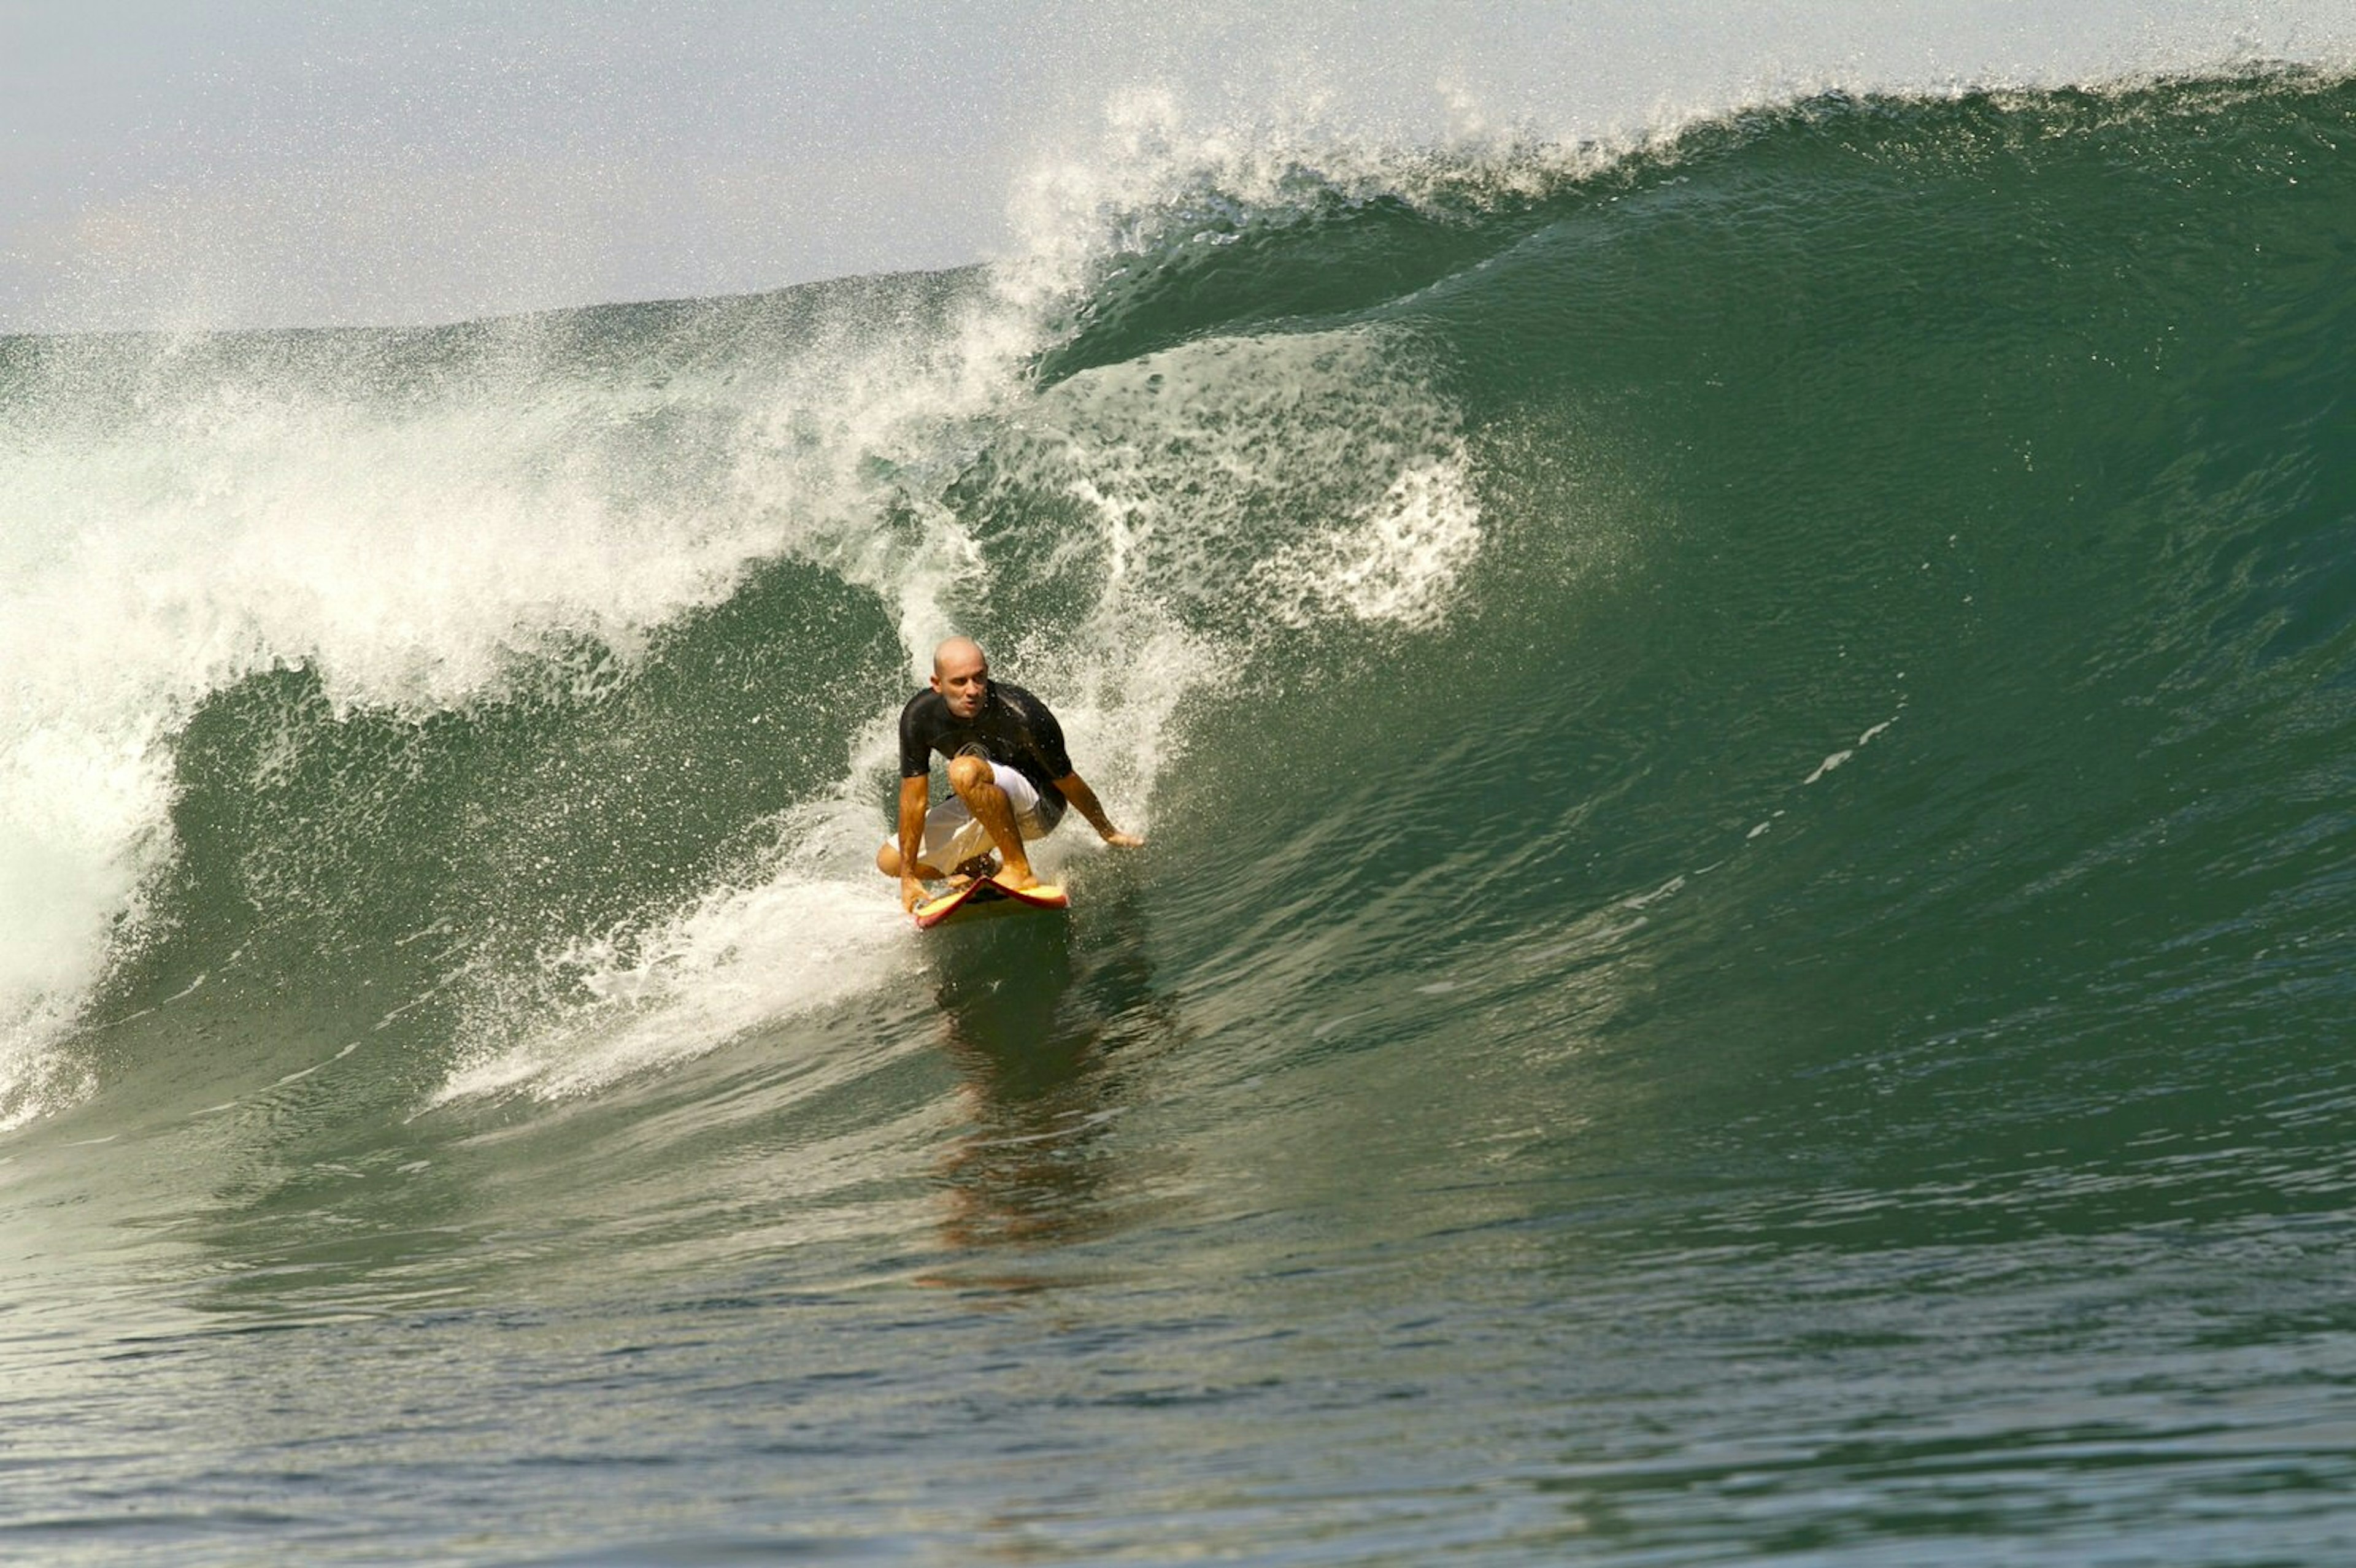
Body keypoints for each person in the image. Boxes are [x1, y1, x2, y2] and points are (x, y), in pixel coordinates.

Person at [878, 637, 1144, 912]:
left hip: (1039, 808)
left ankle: (1019, 868)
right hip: (985, 803)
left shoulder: (1022, 712)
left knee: (963, 770)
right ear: (937, 684)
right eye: (960, 682)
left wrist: (1107, 831)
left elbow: (1067, 780)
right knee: (890, 860)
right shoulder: (919, 716)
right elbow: (914, 799)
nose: (972, 690)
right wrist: (908, 876)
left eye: (979, 678)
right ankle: (983, 869)